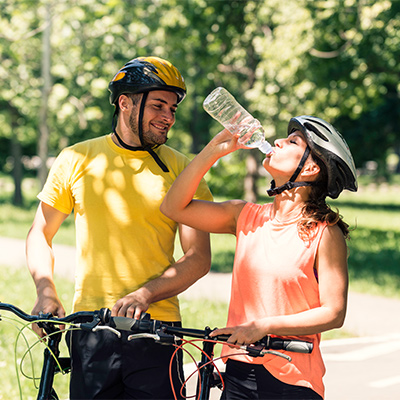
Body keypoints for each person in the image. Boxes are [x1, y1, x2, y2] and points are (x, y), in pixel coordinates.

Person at [26, 56, 213, 399]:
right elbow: (40, 233)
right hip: (90, 327)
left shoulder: (184, 170)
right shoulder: (76, 159)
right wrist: (45, 290)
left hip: (157, 331)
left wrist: (146, 294)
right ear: (125, 103)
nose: (168, 117)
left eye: (172, 109)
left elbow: (198, 257)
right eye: (159, 105)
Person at [161, 115, 358, 399]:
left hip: (292, 377)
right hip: (239, 371)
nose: (277, 141)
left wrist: (264, 326)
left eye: (292, 142)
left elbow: (333, 312)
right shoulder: (246, 216)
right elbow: (173, 207)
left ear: (312, 168)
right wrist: (214, 150)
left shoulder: (324, 233)